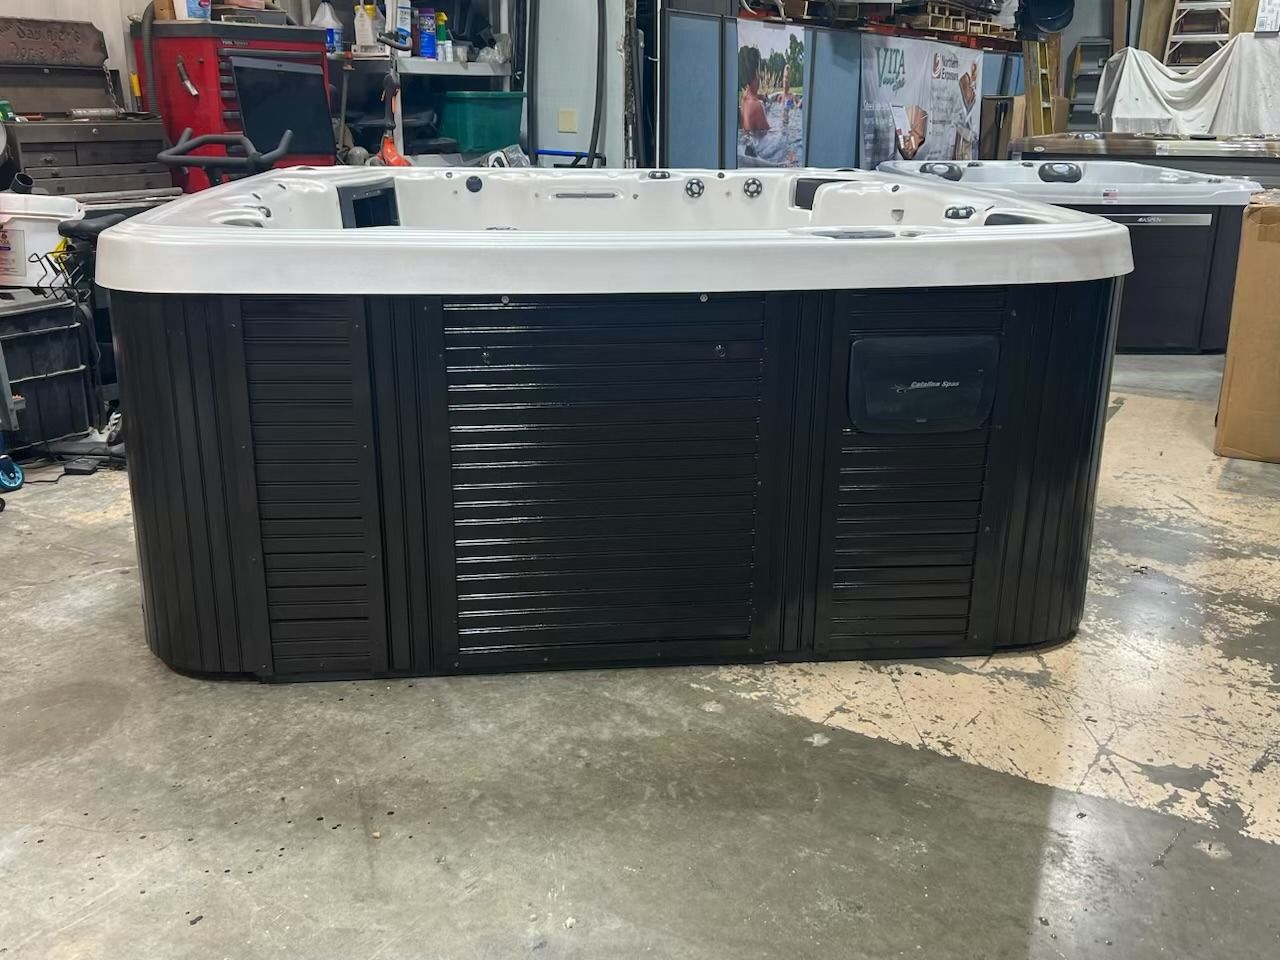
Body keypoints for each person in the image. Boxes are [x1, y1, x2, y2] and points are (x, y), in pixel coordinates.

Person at [738, 46, 769, 133]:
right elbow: (770, 136)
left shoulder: (744, 98)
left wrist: (761, 97)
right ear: (756, 72)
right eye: (759, 70)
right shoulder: (757, 106)